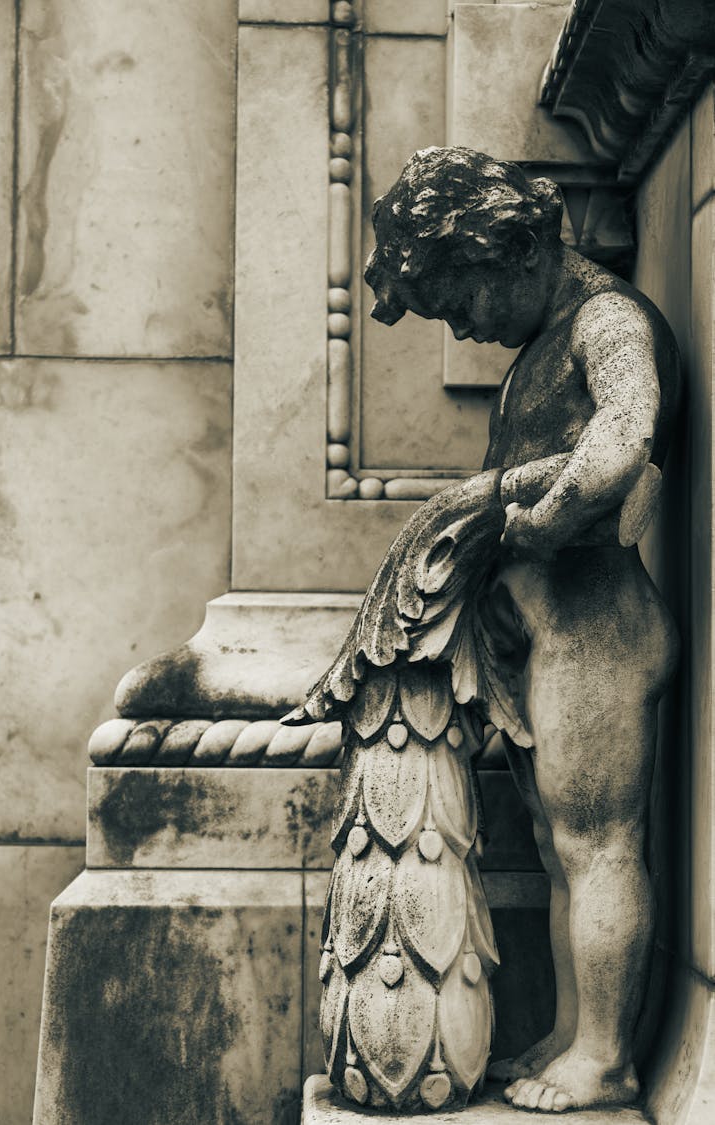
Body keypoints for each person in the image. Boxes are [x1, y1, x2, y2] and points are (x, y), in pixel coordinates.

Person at [361, 146, 680, 1113]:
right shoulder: (543, 345)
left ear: (499, 249)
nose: (459, 324)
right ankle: (574, 1033)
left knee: (598, 845)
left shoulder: (609, 319)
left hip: (596, 635)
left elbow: (627, 430)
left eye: (458, 298)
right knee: (558, 847)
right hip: (553, 639)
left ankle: (609, 1057)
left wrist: (550, 511)